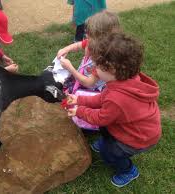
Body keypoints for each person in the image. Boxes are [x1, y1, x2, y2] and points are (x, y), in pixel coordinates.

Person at [67, 32, 162, 187]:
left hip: (138, 138)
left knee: (110, 153)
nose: (94, 70)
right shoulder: (125, 80)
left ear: (111, 69)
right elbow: (102, 98)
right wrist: (79, 99)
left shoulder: (117, 98)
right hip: (134, 126)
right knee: (107, 130)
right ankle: (107, 140)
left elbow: (100, 118)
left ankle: (128, 171)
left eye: (97, 66)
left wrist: (79, 111)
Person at [58, 10, 120, 130]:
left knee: (87, 101)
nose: (86, 36)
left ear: (101, 39)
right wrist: (66, 49)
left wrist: (70, 69)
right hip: (83, 76)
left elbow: (88, 83)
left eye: (89, 35)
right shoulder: (92, 42)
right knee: (74, 91)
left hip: (92, 87)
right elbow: (79, 44)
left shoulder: (103, 62)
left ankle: (85, 121)